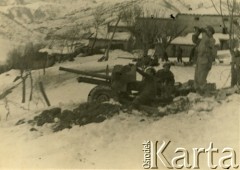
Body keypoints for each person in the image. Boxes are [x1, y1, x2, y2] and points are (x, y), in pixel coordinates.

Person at [192, 26, 217, 94]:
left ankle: (204, 93)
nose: (206, 32)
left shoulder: (211, 40)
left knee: (201, 79)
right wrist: (197, 32)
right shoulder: (202, 40)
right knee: (196, 77)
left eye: (207, 30)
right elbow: (194, 40)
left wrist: (203, 31)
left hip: (205, 61)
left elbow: (207, 41)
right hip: (199, 59)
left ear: (211, 33)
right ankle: (198, 91)